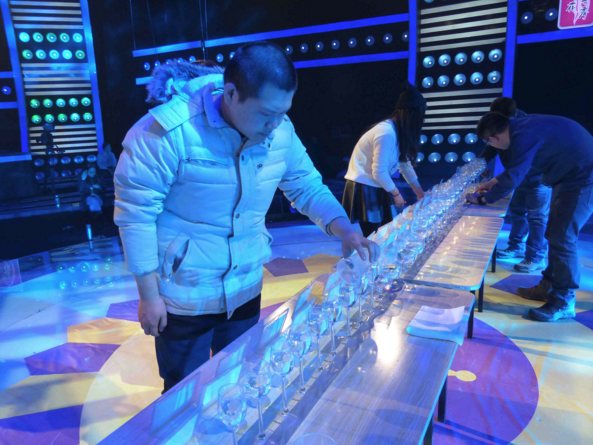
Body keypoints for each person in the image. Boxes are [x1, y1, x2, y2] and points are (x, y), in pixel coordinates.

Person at [114, 44, 379, 392]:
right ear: (230, 94)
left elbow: (306, 185)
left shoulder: (280, 130)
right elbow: (135, 217)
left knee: (238, 384)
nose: (275, 125)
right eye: (266, 113)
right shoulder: (166, 132)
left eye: (283, 113)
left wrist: (344, 229)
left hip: (245, 286)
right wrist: (149, 296)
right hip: (184, 294)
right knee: (182, 396)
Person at [467, 112, 593, 322]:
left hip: (583, 178)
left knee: (562, 238)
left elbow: (514, 176)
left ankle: (563, 301)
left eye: (489, 144)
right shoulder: (521, 128)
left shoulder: (523, 136)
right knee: (555, 234)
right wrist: (493, 183)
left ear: (493, 139)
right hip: (571, 177)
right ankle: (547, 287)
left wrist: (482, 199)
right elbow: (522, 168)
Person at [342, 83, 427, 238]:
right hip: (364, 186)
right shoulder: (386, 132)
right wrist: (396, 193)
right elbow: (379, 172)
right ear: (411, 115)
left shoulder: (398, 131)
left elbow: (405, 165)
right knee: (375, 236)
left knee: (385, 233)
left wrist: (420, 193)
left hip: (376, 184)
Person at [479, 98, 551, 273]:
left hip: (538, 178)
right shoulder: (499, 126)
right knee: (517, 213)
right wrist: (482, 163)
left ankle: (535, 257)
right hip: (517, 177)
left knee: (537, 217)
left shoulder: (526, 128)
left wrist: (486, 198)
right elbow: (491, 148)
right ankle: (516, 246)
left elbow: (522, 166)